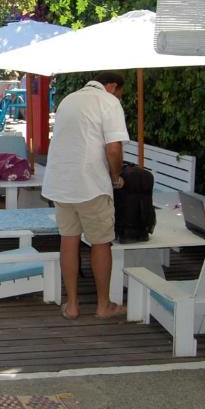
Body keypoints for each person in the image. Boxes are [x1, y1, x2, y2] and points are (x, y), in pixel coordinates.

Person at [42, 71, 130, 321]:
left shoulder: (68, 100)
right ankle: (103, 305)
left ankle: (72, 305)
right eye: (120, 93)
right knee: (101, 242)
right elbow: (114, 148)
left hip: (61, 182)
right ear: (112, 86)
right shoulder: (108, 102)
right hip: (91, 183)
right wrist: (116, 175)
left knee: (68, 240)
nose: (120, 98)